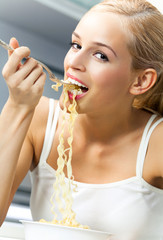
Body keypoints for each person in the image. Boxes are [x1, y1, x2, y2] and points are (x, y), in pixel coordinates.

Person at [0, 0, 163, 239]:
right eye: (76, 45)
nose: (73, 63)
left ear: (140, 81)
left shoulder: (156, 142)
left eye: (100, 55)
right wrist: (18, 105)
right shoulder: (39, 118)